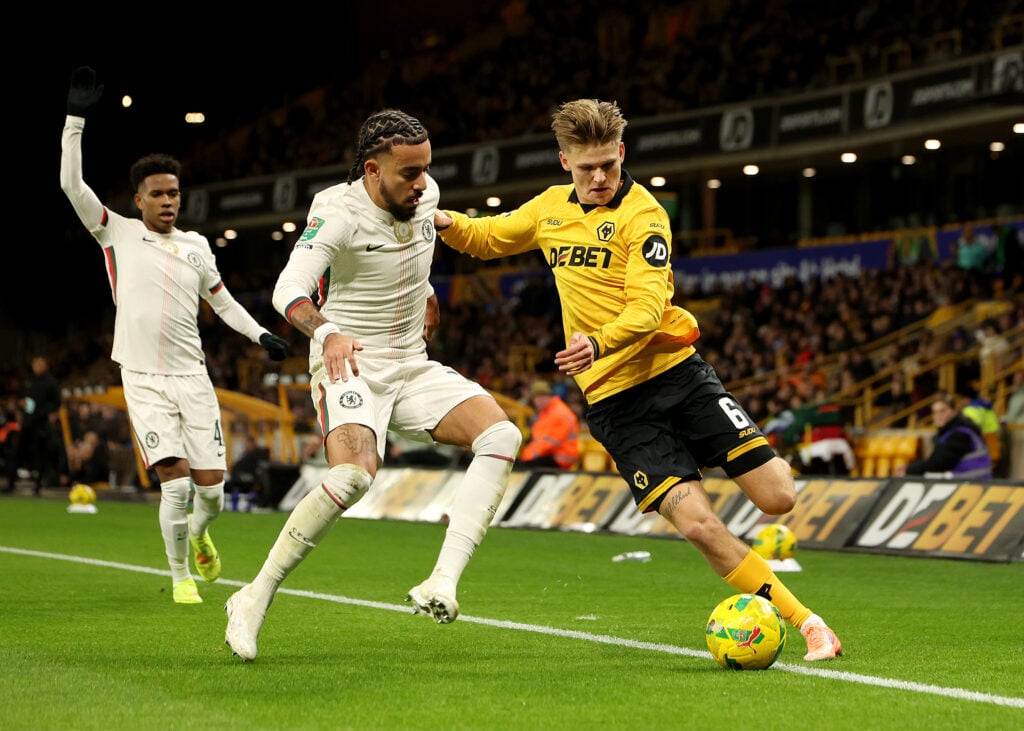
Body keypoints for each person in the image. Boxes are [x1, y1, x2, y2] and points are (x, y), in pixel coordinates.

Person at [435, 98, 843, 661]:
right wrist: (439, 219)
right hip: (617, 404)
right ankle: (810, 624)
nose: (599, 177)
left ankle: (718, 457)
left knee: (778, 497)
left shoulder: (645, 216)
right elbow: (486, 237)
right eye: (586, 168)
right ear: (564, 162)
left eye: (608, 163)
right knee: (699, 526)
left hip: (679, 375)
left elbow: (648, 310)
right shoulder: (550, 209)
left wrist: (595, 342)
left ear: (621, 153)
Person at [223, 108, 522, 661]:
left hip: (411, 361)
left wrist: (427, 290)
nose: (423, 183)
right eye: (409, 172)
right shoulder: (337, 214)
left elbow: (411, 248)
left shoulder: (424, 196)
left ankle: (442, 582)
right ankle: (253, 596)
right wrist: (328, 331)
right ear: (370, 170)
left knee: (502, 436)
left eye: (427, 169)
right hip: (350, 361)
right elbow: (287, 289)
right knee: (355, 475)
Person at [60, 67, 291, 605]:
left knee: (211, 493)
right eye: (158, 194)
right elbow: (71, 184)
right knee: (177, 483)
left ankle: (203, 534)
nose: (168, 201)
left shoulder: (196, 246)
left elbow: (223, 302)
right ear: (137, 200)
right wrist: (75, 119)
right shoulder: (114, 231)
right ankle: (180, 575)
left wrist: (261, 335)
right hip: (142, 377)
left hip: (193, 378)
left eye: (175, 194)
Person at [3, 355, 67, 494]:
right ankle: (11, 482)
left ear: (45, 365)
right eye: (35, 363)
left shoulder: (51, 382)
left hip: (41, 424)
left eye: (40, 363)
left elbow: (56, 403)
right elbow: (20, 398)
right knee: (17, 453)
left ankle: (38, 485)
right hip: (27, 423)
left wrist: (44, 412)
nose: (37, 366)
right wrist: (21, 406)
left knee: (41, 455)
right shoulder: (28, 380)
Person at [895, 392, 993, 479]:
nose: (938, 416)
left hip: (971, 482)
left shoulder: (960, 434)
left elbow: (940, 464)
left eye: (943, 411)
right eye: (935, 412)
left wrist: (910, 469)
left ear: (954, 411)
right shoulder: (950, 432)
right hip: (969, 481)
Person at [519, 379, 580, 469]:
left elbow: (548, 443)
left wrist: (526, 457)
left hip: (560, 458)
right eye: (535, 398)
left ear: (548, 396)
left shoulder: (557, 414)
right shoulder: (548, 412)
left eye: (540, 397)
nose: (537, 402)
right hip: (553, 456)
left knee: (521, 467)